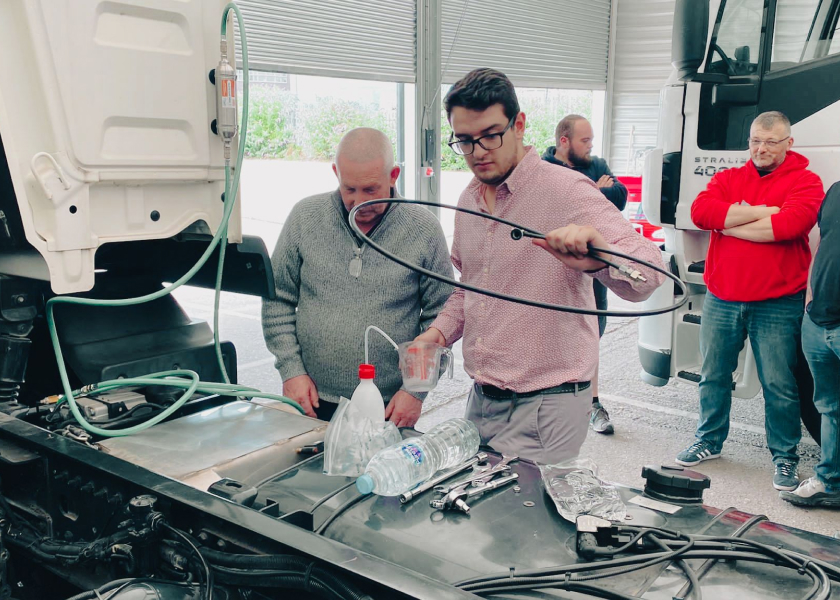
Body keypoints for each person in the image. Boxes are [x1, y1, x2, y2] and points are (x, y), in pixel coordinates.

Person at [414, 68, 664, 464]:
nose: (478, 151)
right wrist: (437, 335)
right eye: (464, 140)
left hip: (548, 404)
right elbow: (471, 287)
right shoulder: (468, 201)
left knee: (526, 520)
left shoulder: (565, 190)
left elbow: (648, 274)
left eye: (490, 135)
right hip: (482, 399)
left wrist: (599, 255)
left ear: (519, 124)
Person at [262, 128, 453, 427]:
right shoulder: (305, 217)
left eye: (370, 190)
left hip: (389, 407)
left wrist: (415, 392)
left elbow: (441, 319)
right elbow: (278, 299)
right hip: (310, 400)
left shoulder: (424, 230)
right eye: (349, 189)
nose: (358, 202)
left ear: (394, 175)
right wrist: (291, 371)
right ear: (336, 173)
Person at [677, 111, 824, 492]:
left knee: (780, 383)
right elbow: (700, 213)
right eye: (755, 140)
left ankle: (784, 457)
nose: (760, 148)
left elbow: (790, 226)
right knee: (713, 375)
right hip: (723, 297)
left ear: (788, 144)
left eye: (770, 142)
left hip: (778, 302)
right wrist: (761, 212)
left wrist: (729, 222)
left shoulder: (807, 182)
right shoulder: (728, 177)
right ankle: (709, 440)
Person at [543, 114, 628, 435]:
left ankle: (591, 405)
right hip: (555, 271)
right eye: (584, 140)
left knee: (592, 336)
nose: (591, 146)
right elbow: (558, 208)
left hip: (592, 270)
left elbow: (618, 199)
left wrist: (589, 195)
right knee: (554, 340)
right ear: (564, 142)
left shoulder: (597, 162)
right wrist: (594, 190)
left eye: (591, 139)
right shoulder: (544, 168)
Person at [780, 181, 840, 507]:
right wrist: (809, 302)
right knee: (830, 409)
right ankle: (830, 482)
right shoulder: (836, 191)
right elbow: (824, 245)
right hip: (818, 319)